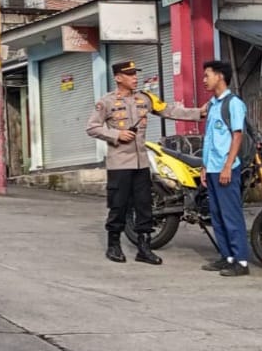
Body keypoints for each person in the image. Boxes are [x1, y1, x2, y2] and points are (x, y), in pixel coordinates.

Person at [86, 60, 205, 264]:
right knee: (119, 205)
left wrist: (198, 113)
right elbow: (92, 127)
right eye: (130, 74)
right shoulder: (106, 102)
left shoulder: (145, 98)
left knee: (144, 206)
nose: (135, 77)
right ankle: (113, 245)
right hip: (120, 164)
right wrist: (116, 134)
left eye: (135, 73)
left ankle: (144, 247)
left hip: (141, 164)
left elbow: (169, 111)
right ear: (118, 78)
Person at [199, 61, 251, 277]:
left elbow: (237, 135)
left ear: (220, 76)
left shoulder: (233, 103)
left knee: (231, 214)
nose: (204, 80)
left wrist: (228, 166)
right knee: (217, 214)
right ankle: (226, 256)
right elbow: (210, 139)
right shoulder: (212, 104)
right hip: (211, 168)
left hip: (226, 168)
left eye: (207, 75)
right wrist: (204, 167)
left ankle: (241, 261)